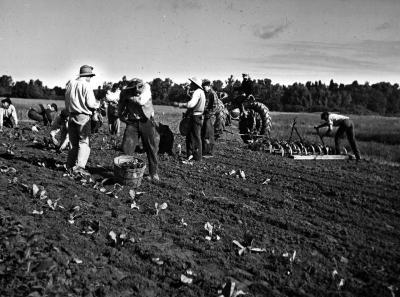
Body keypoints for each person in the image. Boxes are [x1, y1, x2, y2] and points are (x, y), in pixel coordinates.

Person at [118, 78, 160, 181]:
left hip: (147, 121)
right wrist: (121, 116)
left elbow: (141, 101)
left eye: (139, 88)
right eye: (134, 89)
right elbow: (120, 106)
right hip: (132, 122)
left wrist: (129, 97)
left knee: (151, 148)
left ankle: (153, 173)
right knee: (126, 147)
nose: (137, 90)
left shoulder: (147, 88)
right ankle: (126, 173)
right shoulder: (125, 92)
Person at [64, 65, 100, 175]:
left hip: (71, 115)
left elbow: (66, 100)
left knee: (73, 143)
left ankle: (70, 165)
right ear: (88, 76)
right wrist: (97, 105)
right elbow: (90, 103)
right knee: (84, 142)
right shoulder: (86, 85)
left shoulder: (71, 84)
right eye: (90, 76)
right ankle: (79, 167)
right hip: (83, 116)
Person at [177, 77, 206, 161]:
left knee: (195, 137)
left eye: (191, 83)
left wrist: (182, 105)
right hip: (199, 116)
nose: (190, 84)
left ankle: (197, 157)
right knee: (192, 136)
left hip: (195, 116)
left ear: (195, 84)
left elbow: (191, 104)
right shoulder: (202, 92)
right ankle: (191, 154)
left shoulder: (197, 92)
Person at [201, 79, 218, 156]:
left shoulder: (212, 94)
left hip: (211, 117)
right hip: (207, 116)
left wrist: (207, 113)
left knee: (209, 134)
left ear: (208, 86)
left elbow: (215, 107)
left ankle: (210, 152)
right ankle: (205, 150)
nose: (203, 88)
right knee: (205, 134)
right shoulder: (207, 93)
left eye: (204, 87)